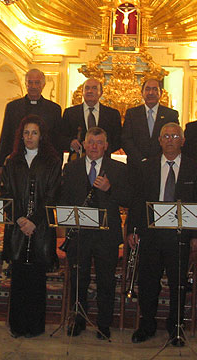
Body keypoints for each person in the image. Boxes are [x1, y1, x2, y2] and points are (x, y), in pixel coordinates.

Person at [127, 123, 197, 347]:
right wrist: (133, 230)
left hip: (180, 236)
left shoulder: (196, 168)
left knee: (178, 283)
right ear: (159, 140)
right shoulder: (146, 167)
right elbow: (136, 201)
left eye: (174, 136)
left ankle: (175, 326)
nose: (170, 139)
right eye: (166, 136)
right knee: (149, 282)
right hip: (150, 234)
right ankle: (146, 325)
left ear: (183, 140)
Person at [60, 126, 130, 340]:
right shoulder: (71, 168)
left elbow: (128, 199)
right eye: (91, 142)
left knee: (106, 280)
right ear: (84, 144)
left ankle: (104, 324)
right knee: (78, 279)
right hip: (79, 233)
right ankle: (78, 319)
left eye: (99, 143)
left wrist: (110, 189)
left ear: (106, 146)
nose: (94, 146)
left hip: (106, 235)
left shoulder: (118, 169)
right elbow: (64, 199)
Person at [0, 114, 62, 338]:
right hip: (18, 228)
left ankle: (34, 326)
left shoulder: (53, 162)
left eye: (34, 132)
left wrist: (34, 220)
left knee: (36, 279)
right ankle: (17, 325)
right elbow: (6, 194)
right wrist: (19, 219)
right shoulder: (12, 161)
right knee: (18, 278)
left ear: (41, 135)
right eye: (26, 132)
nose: (29, 137)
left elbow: (52, 195)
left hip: (41, 229)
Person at [0, 69, 62, 166]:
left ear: (43, 85)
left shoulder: (54, 109)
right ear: (25, 84)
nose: (33, 86)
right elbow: (6, 136)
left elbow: (56, 140)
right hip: (17, 161)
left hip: (45, 163)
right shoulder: (13, 107)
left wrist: (57, 163)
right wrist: (1, 163)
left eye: (37, 83)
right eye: (30, 82)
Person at [121, 78, 179, 167]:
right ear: (142, 92)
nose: (151, 93)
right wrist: (141, 159)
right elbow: (126, 139)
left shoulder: (170, 115)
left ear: (161, 93)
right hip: (136, 165)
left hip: (161, 165)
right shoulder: (132, 113)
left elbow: (174, 140)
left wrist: (157, 160)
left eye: (155, 89)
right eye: (147, 89)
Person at [60, 78, 122, 156]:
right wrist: (70, 143)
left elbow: (117, 140)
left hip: (104, 162)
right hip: (77, 160)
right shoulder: (70, 113)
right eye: (87, 88)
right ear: (82, 92)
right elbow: (61, 137)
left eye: (94, 88)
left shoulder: (112, 114)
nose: (90, 91)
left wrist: (101, 149)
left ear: (101, 93)